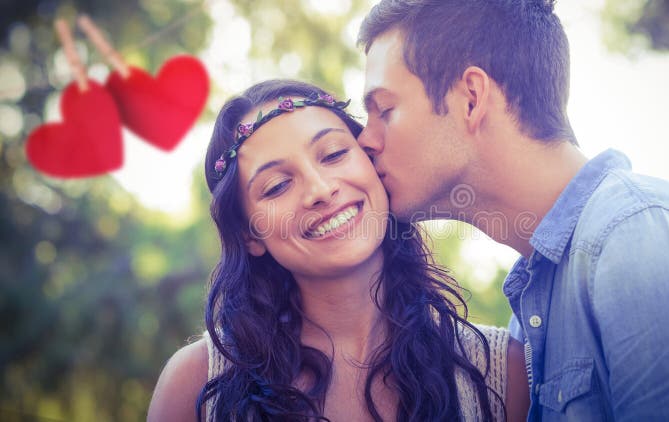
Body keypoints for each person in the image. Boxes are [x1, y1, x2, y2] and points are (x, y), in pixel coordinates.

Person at [356, 1, 669, 421]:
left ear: (471, 98)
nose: (365, 140)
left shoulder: (641, 242)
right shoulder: (537, 305)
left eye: (385, 110)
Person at [146, 79, 529, 421]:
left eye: (332, 155)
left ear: (372, 162)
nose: (320, 189)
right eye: (277, 185)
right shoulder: (196, 385)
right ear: (250, 235)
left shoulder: (500, 372)